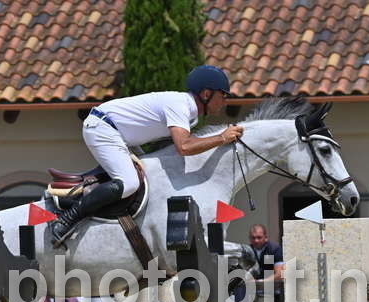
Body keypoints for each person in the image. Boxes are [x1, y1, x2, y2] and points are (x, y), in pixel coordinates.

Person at [51, 65, 244, 245]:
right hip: (103, 128)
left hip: (118, 134)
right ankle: (67, 219)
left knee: (150, 176)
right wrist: (222, 138)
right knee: (130, 183)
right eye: (223, 95)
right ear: (206, 94)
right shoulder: (181, 105)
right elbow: (184, 147)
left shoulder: (189, 112)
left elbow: (179, 145)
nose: (225, 100)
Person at [248, 224, 285, 302]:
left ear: (266, 237)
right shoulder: (247, 250)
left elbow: (280, 274)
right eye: (253, 238)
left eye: (259, 237)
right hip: (253, 287)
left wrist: (261, 281)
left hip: (274, 286)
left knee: (281, 290)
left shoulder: (274, 249)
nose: (256, 240)